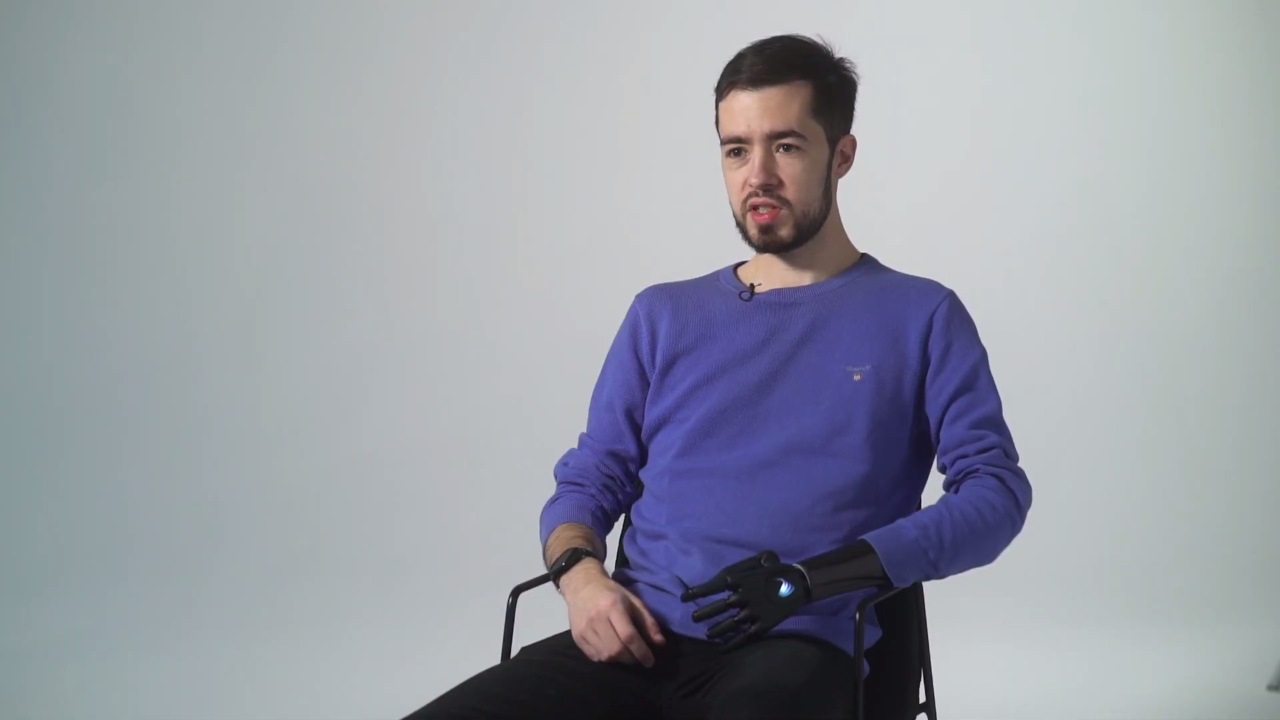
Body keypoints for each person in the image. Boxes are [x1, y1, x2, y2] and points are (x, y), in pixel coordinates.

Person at [404, 33, 1032, 720]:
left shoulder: (920, 316)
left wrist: (817, 578)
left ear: (842, 155)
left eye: (785, 147)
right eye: (736, 150)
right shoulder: (663, 315)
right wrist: (581, 580)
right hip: (634, 644)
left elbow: (995, 493)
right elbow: (591, 477)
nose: (757, 176)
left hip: (795, 651)